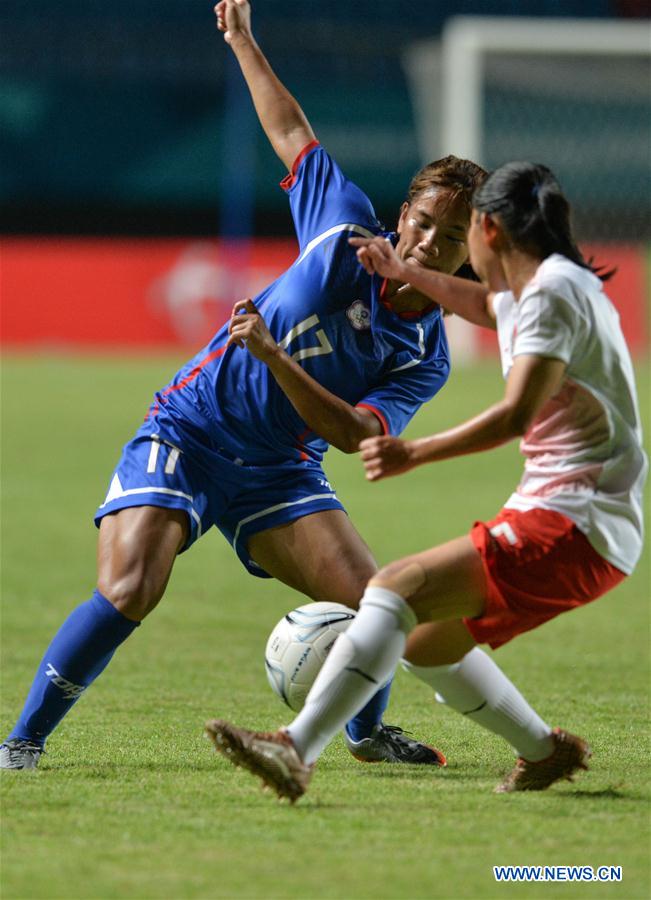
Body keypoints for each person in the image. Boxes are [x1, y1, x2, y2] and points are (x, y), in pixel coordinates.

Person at [0, 0, 487, 770]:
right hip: (189, 431)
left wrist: (270, 354)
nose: (427, 241)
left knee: (375, 605)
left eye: (450, 237)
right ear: (403, 215)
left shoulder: (423, 350)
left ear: (468, 253)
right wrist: (241, 41)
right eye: (422, 222)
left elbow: (357, 434)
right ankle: (21, 741)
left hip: (280, 467)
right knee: (131, 586)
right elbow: (291, 133)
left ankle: (365, 736)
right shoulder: (342, 230)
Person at [205, 160, 647, 802]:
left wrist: (416, 452)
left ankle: (295, 749)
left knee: (393, 588)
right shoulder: (554, 284)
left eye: (463, 232)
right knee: (426, 644)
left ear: (488, 230)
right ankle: (546, 752)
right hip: (581, 521)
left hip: (575, 522)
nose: (454, 248)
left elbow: (516, 414)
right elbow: (488, 307)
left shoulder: (550, 296)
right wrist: (407, 272)